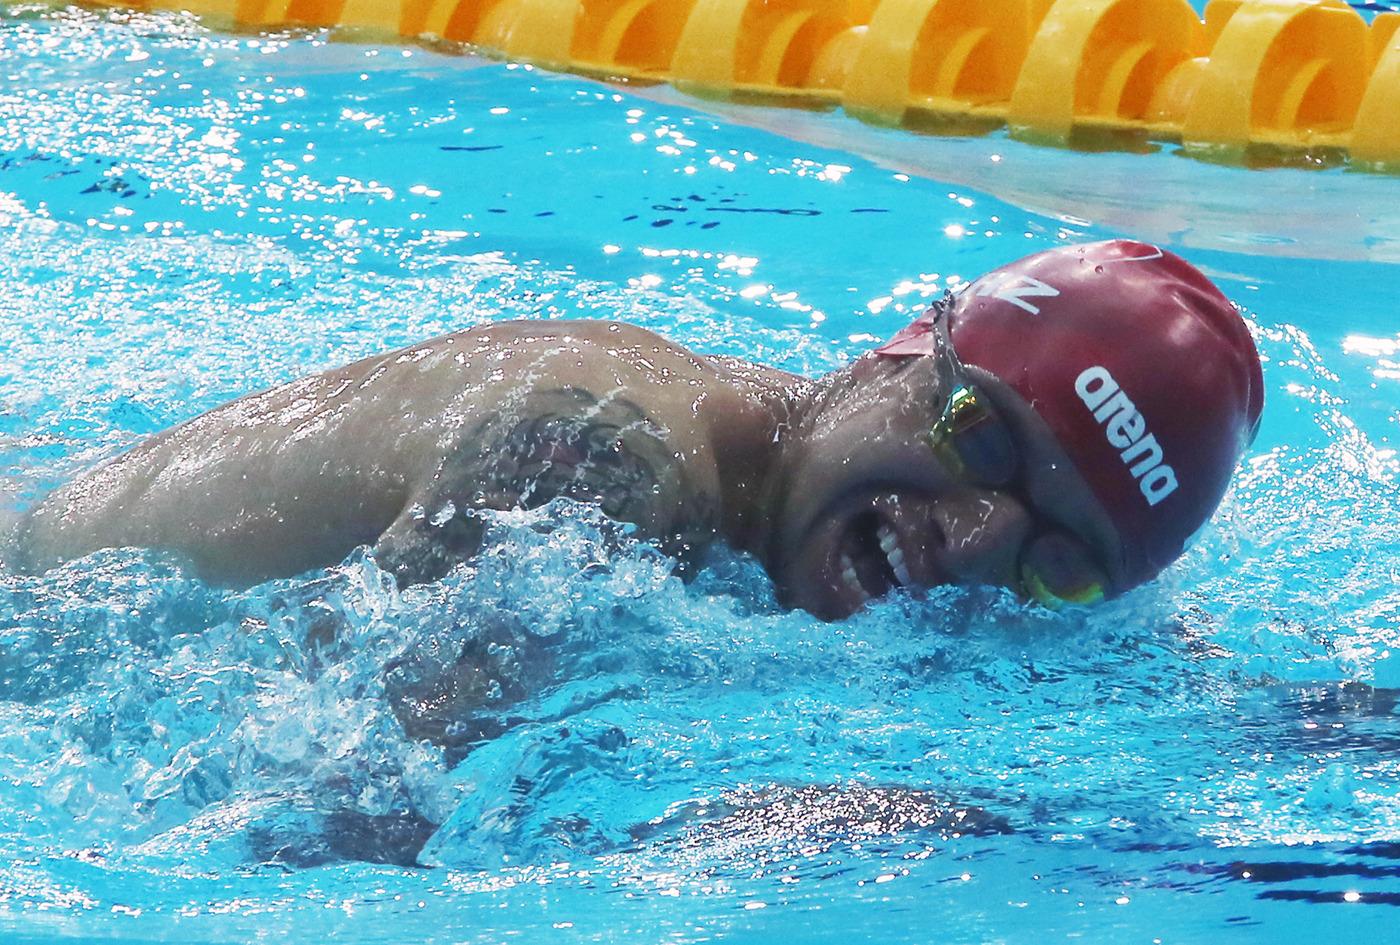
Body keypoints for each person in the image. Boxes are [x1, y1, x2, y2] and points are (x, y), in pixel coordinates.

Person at [6, 240, 1264, 620]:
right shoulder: (586, 462)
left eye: (1056, 562)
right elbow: (329, 817)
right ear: (894, 349)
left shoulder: (800, 502)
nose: (980, 538)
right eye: (977, 439)